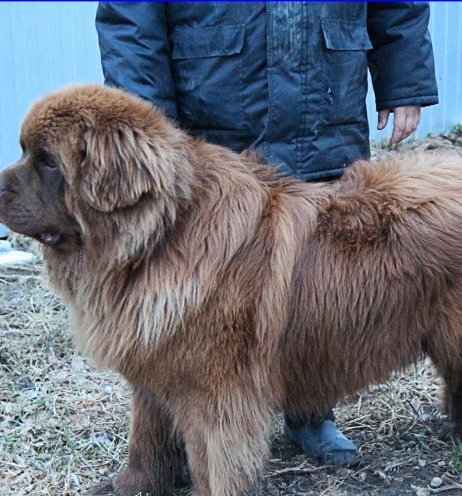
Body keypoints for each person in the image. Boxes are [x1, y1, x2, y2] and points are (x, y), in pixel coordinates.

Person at [96, 1, 438, 466]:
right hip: (212, 112)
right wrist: (147, 124)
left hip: (322, 113)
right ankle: (174, 431)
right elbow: (132, 16)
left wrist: (404, 81)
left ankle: (311, 409)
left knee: (320, 280)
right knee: (189, 290)